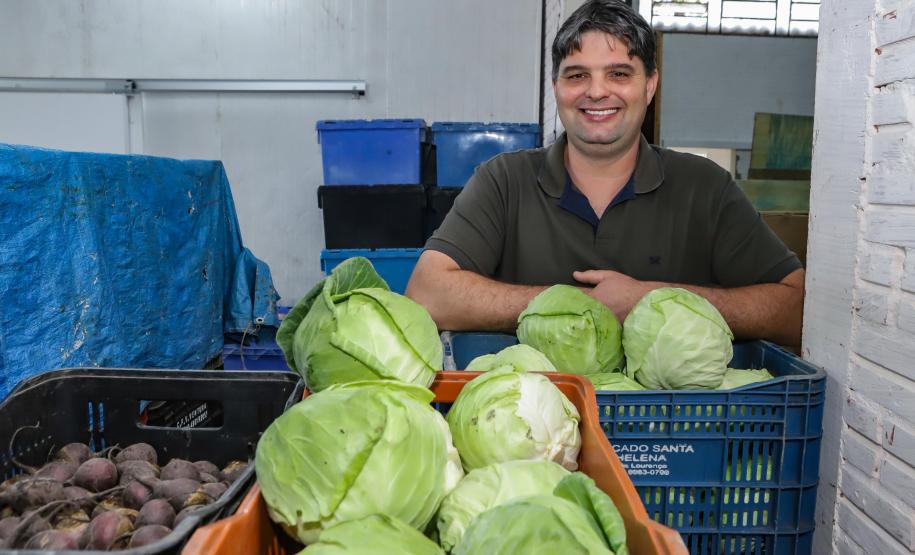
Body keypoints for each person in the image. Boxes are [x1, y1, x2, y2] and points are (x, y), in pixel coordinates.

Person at [406, 0, 804, 348]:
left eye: (619, 74)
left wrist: (651, 301)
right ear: (556, 87)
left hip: (671, 413)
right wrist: (578, 305)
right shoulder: (504, 180)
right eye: (577, 75)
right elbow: (428, 294)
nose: (596, 92)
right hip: (537, 408)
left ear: (650, 85)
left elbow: (796, 308)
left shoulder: (704, 187)